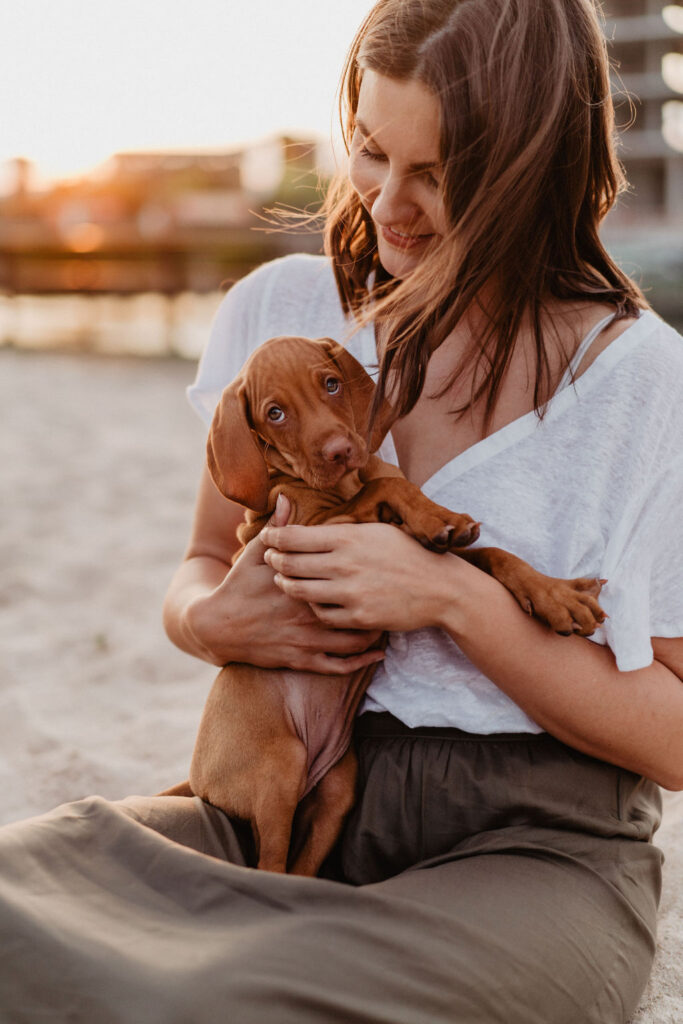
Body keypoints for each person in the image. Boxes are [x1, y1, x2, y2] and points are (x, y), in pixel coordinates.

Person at [1, 1, 681, 1021]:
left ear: (528, 170)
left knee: (229, 998)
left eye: (437, 173)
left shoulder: (643, 386)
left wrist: (455, 599)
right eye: (370, 150)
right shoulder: (282, 314)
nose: (389, 205)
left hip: (530, 847)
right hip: (272, 794)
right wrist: (205, 619)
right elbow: (198, 562)